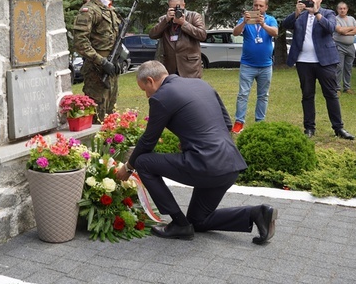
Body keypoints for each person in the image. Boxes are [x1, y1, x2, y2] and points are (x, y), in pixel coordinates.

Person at [115, 61, 278, 244]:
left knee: (143, 162)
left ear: (151, 81)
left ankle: (179, 224)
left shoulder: (161, 97)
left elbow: (148, 141)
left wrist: (128, 167)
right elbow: (227, 124)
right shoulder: (201, 84)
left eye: (144, 89)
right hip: (230, 165)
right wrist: (191, 143)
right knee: (198, 220)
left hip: (206, 166)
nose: (146, 95)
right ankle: (256, 213)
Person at [282, 0, 355, 140]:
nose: (311, 1)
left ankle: (338, 128)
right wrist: (296, 12)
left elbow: (330, 28)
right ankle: (309, 128)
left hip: (325, 61)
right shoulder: (300, 16)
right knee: (307, 95)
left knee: (331, 94)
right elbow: (285, 24)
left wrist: (316, 13)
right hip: (304, 61)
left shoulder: (327, 13)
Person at [72, 0, 122, 122]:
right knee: (96, 116)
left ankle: (112, 144)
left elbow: (114, 40)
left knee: (111, 112)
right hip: (96, 72)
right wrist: (102, 61)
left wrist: (117, 59)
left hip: (111, 67)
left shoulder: (110, 10)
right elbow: (80, 42)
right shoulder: (89, 10)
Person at [231, 0, 278, 134]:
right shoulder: (246, 19)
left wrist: (263, 25)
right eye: (255, 5)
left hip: (265, 65)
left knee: (263, 96)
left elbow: (275, 33)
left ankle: (260, 122)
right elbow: (235, 32)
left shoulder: (270, 19)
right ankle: (239, 122)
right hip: (248, 65)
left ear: (266, 7)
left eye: (261, 6)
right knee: (243, 95)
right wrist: (244, 22)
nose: (257, 8)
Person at [148, 0, 207, 78]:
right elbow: (152, 35)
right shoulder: (164, 19)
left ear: (184, 5)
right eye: (172, 8)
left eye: (177, 8)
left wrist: (184, 23)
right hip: (170, 66)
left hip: (190, 66)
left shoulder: (194, 16)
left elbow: (202, 35)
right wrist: (166, 21)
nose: (175, 11)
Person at [333, 2, 356, 95]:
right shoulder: (334, 19)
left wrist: (346, 32)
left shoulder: (352, 18)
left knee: (348, 68)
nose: (342, 10)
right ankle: (337, 88)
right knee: (339, 67)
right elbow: (340, 30)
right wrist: (352, 29)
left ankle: (347, 87)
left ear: (347, 9)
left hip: (351, 46)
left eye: (344, 8)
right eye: (340, 8)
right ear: (337, 10)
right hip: (339, 46)